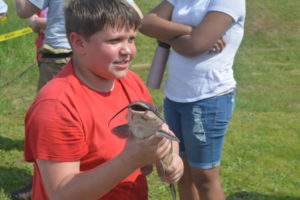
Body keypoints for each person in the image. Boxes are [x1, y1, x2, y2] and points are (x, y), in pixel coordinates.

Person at [23, 0, 183, 199]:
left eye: (131, 39)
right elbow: (61, 193)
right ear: (79, 42)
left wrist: (172, 156)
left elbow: (161, 130)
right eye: (114, 41)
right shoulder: (56, 106)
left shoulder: (130, 81)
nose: (127, 51)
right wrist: (130, 160)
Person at [140, 0, 246, 200]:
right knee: (181, 173)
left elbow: (194, 46)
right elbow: (146, 23)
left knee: (204, 178)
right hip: (175, 97)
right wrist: (189, 30)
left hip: (208, 99)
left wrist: (167, 33)